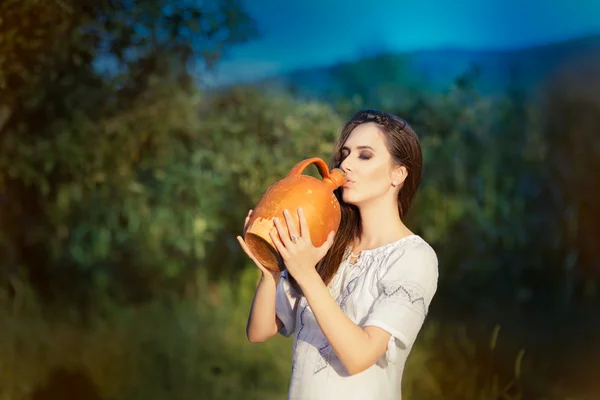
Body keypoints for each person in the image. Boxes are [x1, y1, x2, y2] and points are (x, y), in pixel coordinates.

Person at [237, 109, 439, 400]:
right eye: (345, 154)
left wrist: (305, 274)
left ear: (398, 174)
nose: (346, 165)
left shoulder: (414, 257)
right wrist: (269, 269)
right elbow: (259, 331)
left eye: (364, 155)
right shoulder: (326, 243)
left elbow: (359, 356)